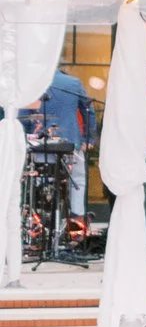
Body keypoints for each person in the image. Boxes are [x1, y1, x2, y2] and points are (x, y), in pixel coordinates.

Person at [35, 70, 96, 217]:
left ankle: (40, 215)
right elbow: (88, 110)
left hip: (41, 143)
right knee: (78, 180)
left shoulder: (34, 83)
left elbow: (24, 113)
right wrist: (89, 138)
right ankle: (77, 218)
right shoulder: (73, 83)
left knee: (40, 178)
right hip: (70, 141)